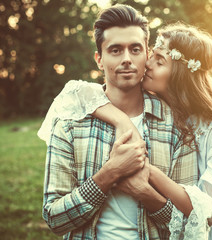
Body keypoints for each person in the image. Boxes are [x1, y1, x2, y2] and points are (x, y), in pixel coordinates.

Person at [40, 4, 199, 240]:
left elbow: (190, 224)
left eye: (135, 49)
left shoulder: (176, 125)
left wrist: (145, 193)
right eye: (115, 50)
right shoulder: (69, 124)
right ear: (99, 59)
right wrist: (108, 174)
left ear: (148, 54)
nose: (126, 59)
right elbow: (54, 218)